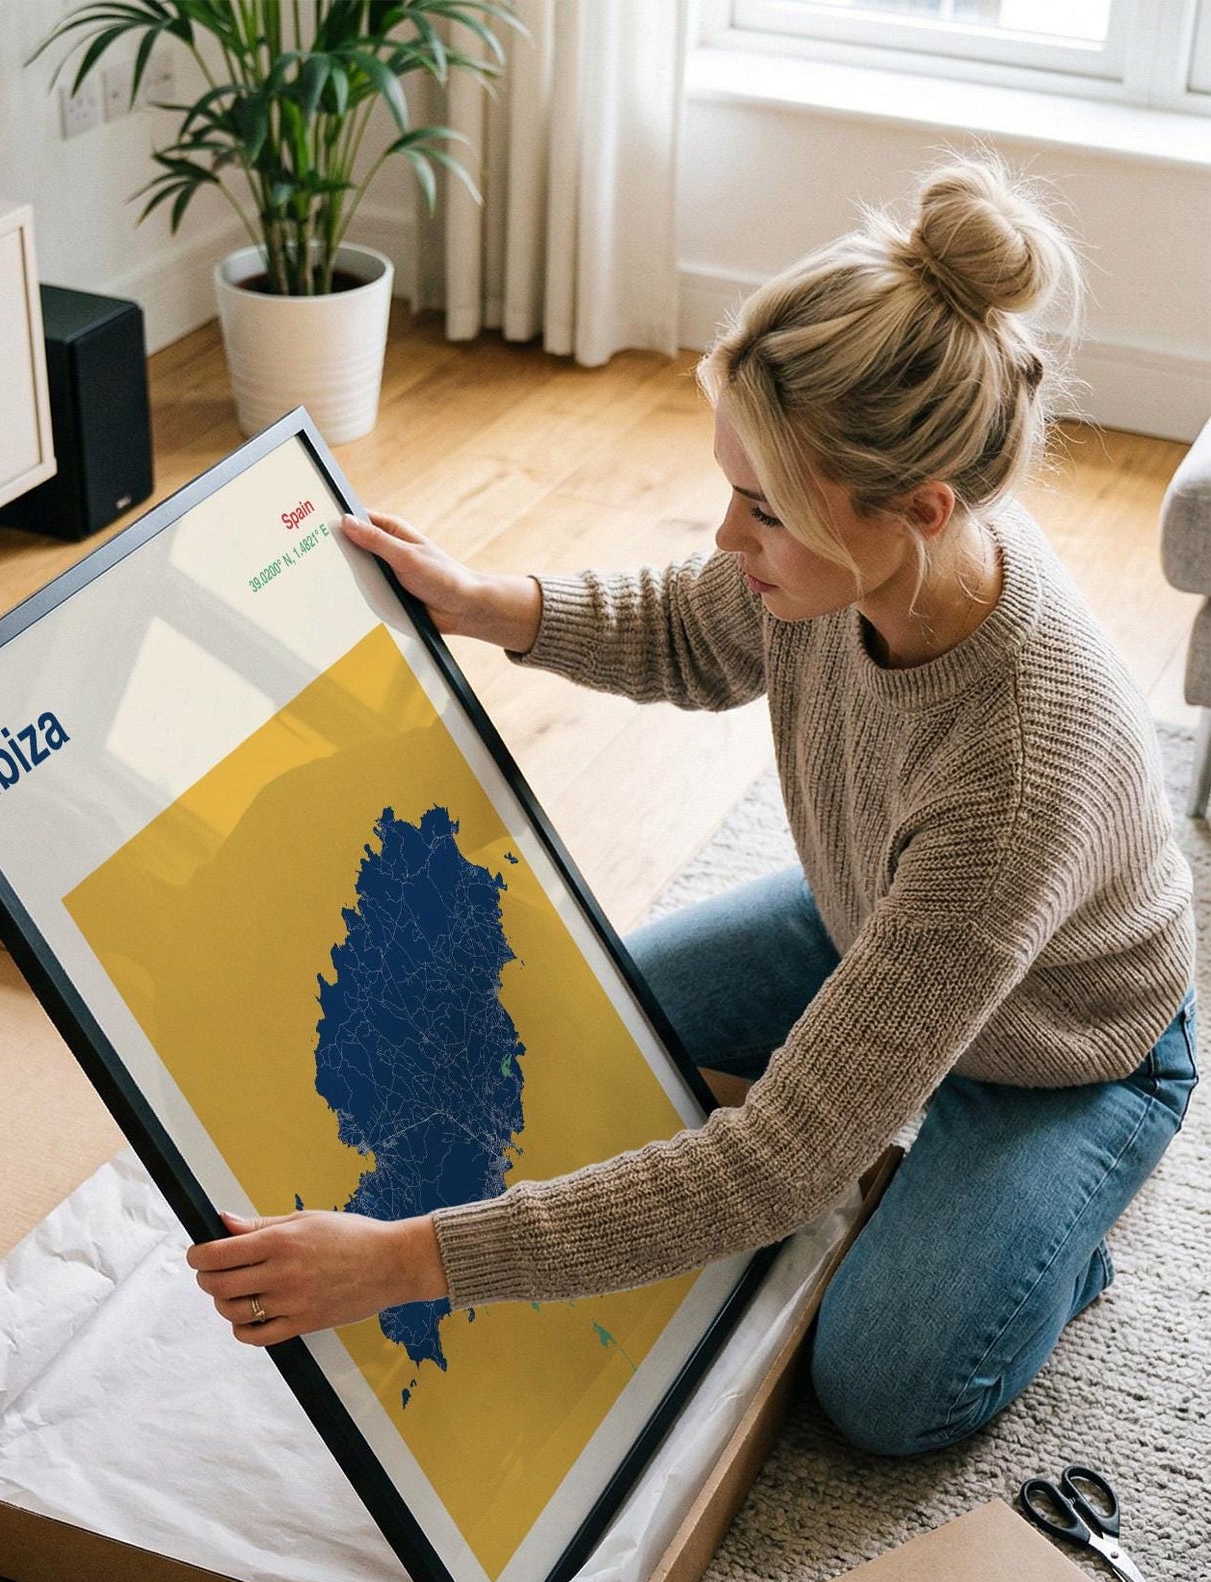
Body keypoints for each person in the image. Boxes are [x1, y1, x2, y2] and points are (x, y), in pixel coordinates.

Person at [189, 156, 1197, 1457]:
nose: (727, 537)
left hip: (1064, 1045)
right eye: (732, 487)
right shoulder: (857, 561)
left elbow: (776, 1166)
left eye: (763, 511)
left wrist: (401, 1261)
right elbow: (688, 625)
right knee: (570, 1034)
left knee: (887, 1384)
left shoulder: (1013, 777)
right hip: (865, 917)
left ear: (920, 511)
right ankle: (913, 1118)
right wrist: (488, 603)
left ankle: (1049, 1243)